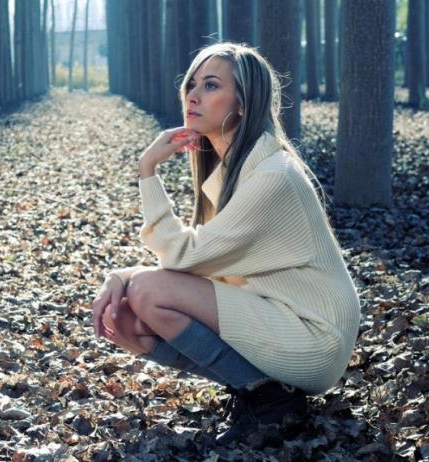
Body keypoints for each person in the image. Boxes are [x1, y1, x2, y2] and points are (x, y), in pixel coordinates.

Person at [90, 42, 361, 444]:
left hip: (314, 335)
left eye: (211, 85)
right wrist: (123, 278)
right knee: (124, 319)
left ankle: (269, 399)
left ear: (243, 104)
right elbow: (199, 263)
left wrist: (147, 170)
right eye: (191, 84)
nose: (193, 96)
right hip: (279, 316)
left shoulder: (272, 176)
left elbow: (182, 256)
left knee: (147, 292)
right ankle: (260, 390)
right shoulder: (237, 171)